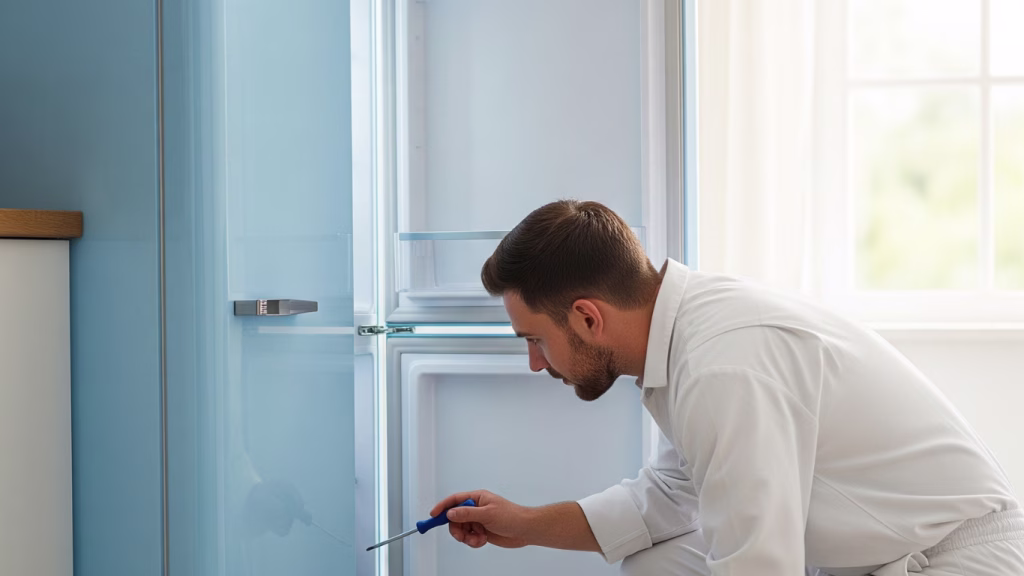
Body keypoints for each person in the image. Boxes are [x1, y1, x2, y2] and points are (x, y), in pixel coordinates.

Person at [430, 200, 1024, 575]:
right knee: (658, 560)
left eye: (534, 339)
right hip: (880, 554)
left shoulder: (722, 364)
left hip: (955, 560)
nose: (536, 363)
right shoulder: (689, 335)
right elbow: (667, 498)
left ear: (587, 317)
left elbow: (758, 565)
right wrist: (525, 523)